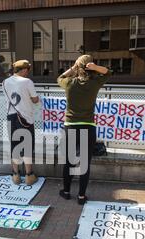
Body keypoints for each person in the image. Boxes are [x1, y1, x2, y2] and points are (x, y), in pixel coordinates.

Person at [57, 55, 110, 205]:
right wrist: (95, 68)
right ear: (90, 66)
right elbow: (108, 72)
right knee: (84, 164)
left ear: (77, 67)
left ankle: (66, 192)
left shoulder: (69, 83)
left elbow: (59, 77)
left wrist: (72, 69)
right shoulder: (94, 83)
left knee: (69, 162)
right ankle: (81, 196)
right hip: (88, 127)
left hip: (70, 127)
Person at [2, 60, 40, 186]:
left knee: (14, 146)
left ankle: (16, 175)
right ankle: (29, 176)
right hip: (25, 119)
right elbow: (35, 100)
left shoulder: (5, 82)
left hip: (11, 117)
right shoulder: (27, 82)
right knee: (27, 147)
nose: (28, 72)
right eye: (27, 69)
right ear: (23, 70)